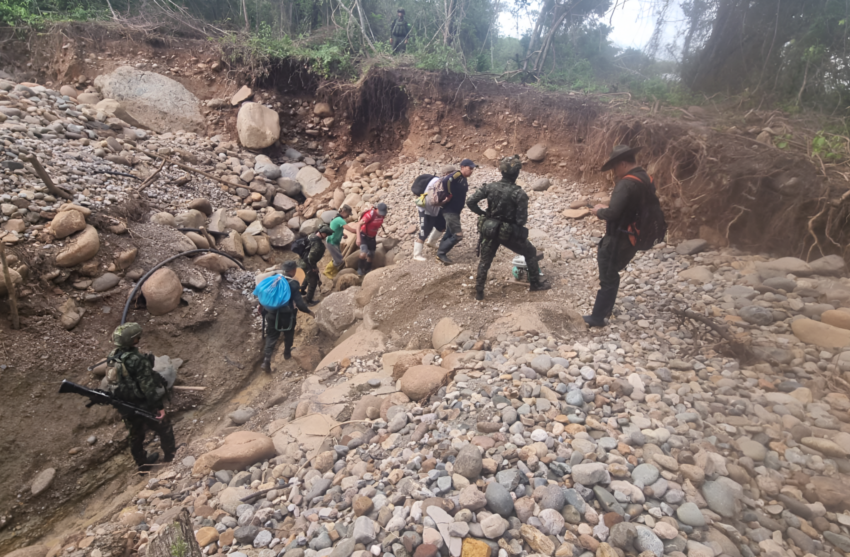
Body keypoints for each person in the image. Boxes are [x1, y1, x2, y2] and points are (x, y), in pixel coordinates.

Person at [467, 155, 551, 300]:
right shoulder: (519, 194)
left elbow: (470, 202)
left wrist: (483, 214)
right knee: (530, 252)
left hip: (490, 229)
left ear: (501, 171)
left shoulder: (490, 187)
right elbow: (521, 220)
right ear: (517, 173)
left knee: (484, 262)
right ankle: (535, 284)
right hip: (508, 232)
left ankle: (479, 292)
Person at [586, 144, 652, 327]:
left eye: (615, 167)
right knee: (613, 272)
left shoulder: (626, 183)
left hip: (620, 237)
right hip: (634, 236)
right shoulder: (645, 178)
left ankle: (597, 318)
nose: (614, 172)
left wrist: (599, 211)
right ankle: (606, 309)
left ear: (622, 163)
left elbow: (613, 213)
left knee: (608, 274)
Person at [107, 323, 176, 471]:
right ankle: (172, 457)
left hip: (125, 404)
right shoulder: (136, 360)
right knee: (164, 427)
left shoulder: (114, 356)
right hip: (142, 404)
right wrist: (159, 407)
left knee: (135, 436)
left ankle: (143, 465)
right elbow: (148, 387)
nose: (138, 338)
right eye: (136, 337)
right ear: (132, 340)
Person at [261, 261, 313, 372]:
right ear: (293, 270)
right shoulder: (293, 284)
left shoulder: (273, 278)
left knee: (271, 336)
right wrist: (309, 312)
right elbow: (299, 304)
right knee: (289, 333)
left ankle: (266, 361)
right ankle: (287, 354)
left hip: (271, 313)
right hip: (286, 315)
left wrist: (260, 306)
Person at [436, 159, 476, 266]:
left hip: (455, 211)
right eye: (470, 168)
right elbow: (446, 181)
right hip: (450, 210)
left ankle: (440, 253)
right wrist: (448, 194)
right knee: (458, 235)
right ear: (463, 167)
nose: (471, 171)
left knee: (449, 232)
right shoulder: (457, 174)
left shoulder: (463, 179)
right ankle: (441, 253)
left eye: (472, 169)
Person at [413, 175, 446, 262]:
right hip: (425, 209)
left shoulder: (440, 181)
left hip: (435, 209)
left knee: (442, 225)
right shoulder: (439, 183)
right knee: (424, 231)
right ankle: (416, 254)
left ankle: (431, 242)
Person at [298, 225, 332, 305]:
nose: (326, 236)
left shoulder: (311, 236)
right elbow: (311, 257)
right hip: (308, 264)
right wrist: (313, 268)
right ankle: (308, 301)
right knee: (313, 282)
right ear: (322, 233)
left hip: (302, 261)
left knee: (306, 277)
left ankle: (301, 290)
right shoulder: (317, 243)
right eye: (326, 235)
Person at [358, 203, 387, 276]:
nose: (381, 215)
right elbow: (358, 225)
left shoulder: (382, 216)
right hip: (364, 235)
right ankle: (360, 269)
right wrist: (358, 238)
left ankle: (367, 270)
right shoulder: (370, 215)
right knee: (363, 253)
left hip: (372, 237)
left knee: (371, 255)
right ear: (377, 209)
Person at [324, 205, 352, 277]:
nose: (348, 216)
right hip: (331, 242)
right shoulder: (340, 220)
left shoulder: (336, 217)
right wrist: (358, 230)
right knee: (339, 260)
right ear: (344, 212)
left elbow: (335, 229)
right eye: (348, 214)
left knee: (337, 257)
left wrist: (343, 234)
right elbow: (350, 229)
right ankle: (327, 271)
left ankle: (334, 270)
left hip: (334, 241)